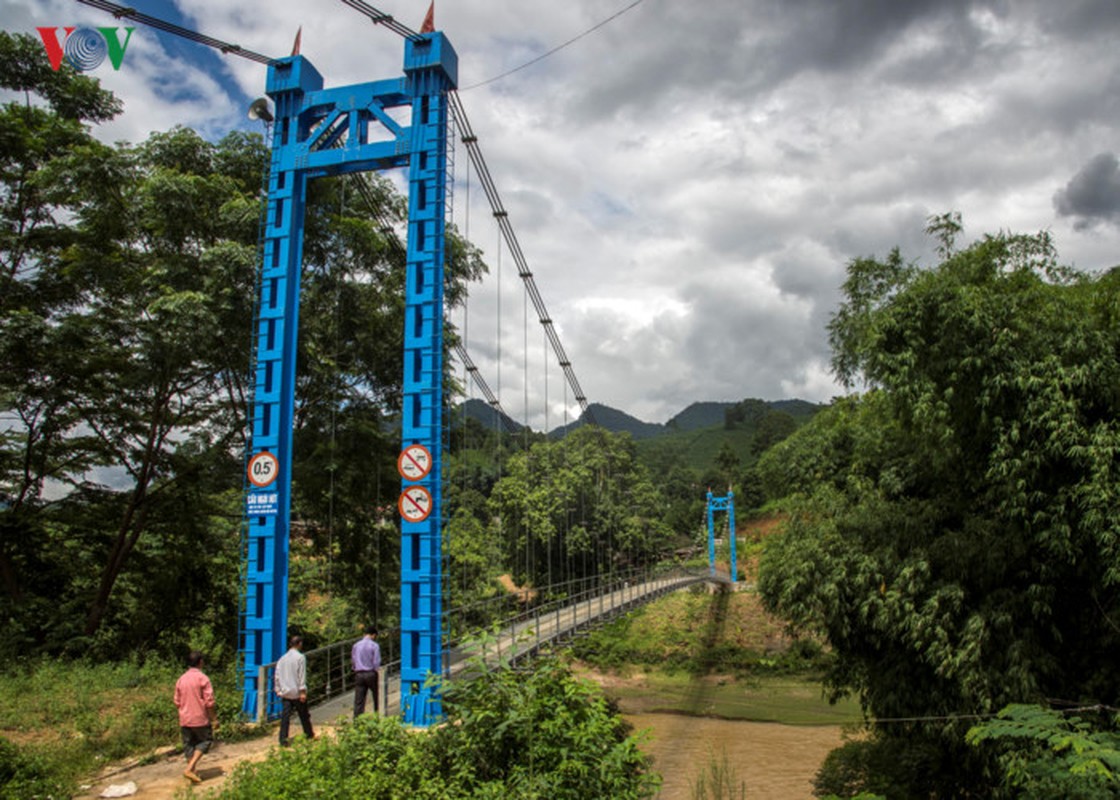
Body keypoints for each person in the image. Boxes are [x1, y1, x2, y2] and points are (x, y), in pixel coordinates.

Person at [173, 650, 217, 784]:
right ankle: (190, 768)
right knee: (206, 741)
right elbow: (209, 702)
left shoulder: (181, 679)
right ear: (200, 662)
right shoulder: (203, 678)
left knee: (189, 745)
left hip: (185, 718)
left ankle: (193, 772)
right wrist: (214, 719)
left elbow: (176, 701)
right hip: (200, 718)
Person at [274, 634, 315, 746]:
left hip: (286, 692)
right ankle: (309, 734)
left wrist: (277, 689)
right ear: (299, 644)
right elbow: (301, 675)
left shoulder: (282, 659)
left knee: (285, 717)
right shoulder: (300, 657)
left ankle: (283, 739)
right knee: (304, 715)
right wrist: (302, 691)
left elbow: (277, 675)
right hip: (296, 692)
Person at [351, 624, 381, 717]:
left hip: (359, 674)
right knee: (376, 696)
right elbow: (376, 661)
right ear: (373, 635)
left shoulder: (356, 645)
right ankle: (377, 716)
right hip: (371, 673)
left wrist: (355, 669)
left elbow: (353, 659)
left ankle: (358, 721)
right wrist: (376, 670)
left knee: (359, 700)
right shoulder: (374, 645)